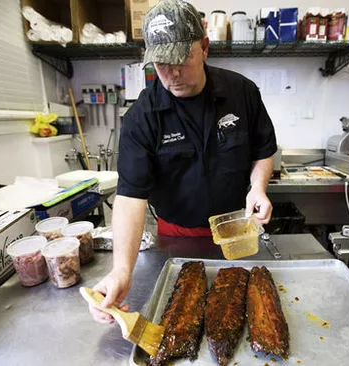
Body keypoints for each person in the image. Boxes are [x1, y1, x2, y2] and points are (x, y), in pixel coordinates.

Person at [89, 0, 277, 324]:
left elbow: (263, 150)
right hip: (174, 239)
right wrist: (121, 270)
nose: (172, 73)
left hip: (235, 234)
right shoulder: (141, 117)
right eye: (161, 63)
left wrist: (258, 188)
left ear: (204, 47)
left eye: (181, 59)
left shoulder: (242, 92)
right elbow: (130, 196)